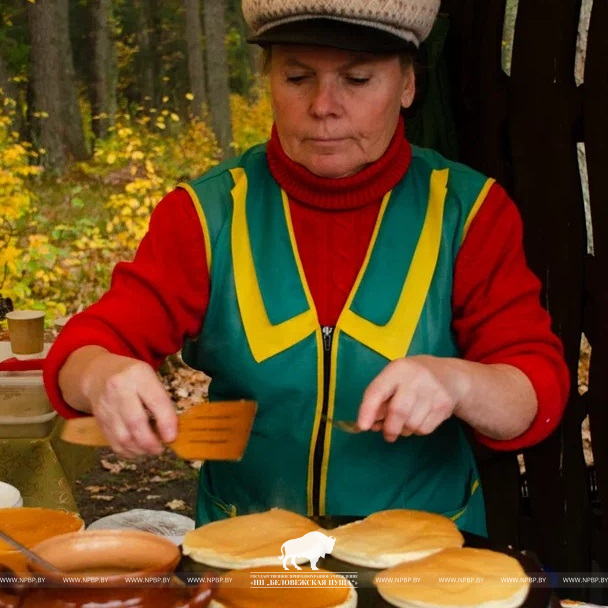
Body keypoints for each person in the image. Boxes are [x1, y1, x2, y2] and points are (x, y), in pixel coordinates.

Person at [43, 0, 569, 536]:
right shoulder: (205, 215)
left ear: (408, 84)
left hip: (421, 554)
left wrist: (457, 382)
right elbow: (88, 346)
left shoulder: (468, 211)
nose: (323, 106)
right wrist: (101, 374)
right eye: (298, 77)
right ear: (268, 80)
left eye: (358, 79)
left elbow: (533, 392)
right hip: (249, 551)